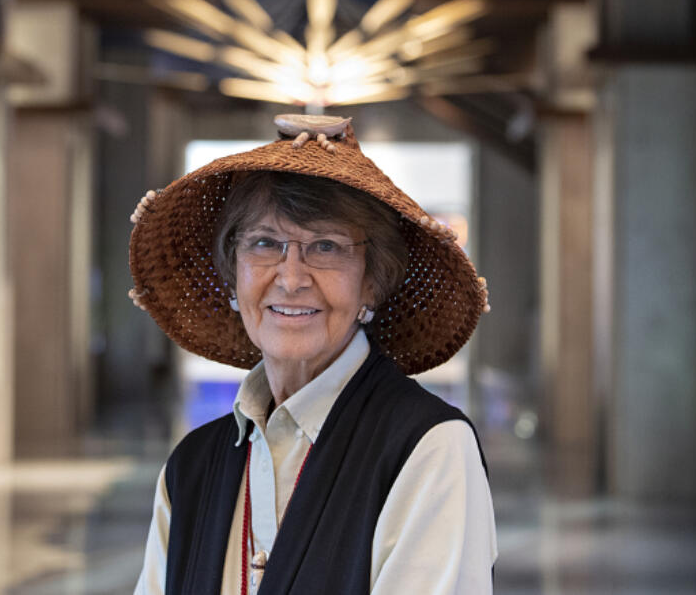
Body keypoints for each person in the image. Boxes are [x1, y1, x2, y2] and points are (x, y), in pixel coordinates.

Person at [129, 114, 496, 595]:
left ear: (371, 281)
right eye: (265, 243)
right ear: (233, 276)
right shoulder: (191, 469)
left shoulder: (428, 448)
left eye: (326, 246)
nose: (292, 277)